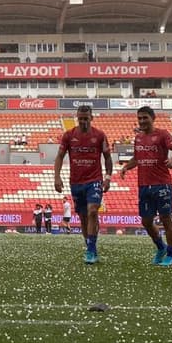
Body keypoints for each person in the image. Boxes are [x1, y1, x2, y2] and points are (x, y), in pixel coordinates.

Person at [119, 106, 172, 266]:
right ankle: (160, 247)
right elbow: (137, 158)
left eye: (145, 118)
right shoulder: (138, 138)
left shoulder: (162, 134)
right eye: (139, 118)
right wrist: (127, 166)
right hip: (143, 185)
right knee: (146, 221)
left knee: (166, 219)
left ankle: (171, 254)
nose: (141, 121)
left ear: (153, 118)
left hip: (162, 184)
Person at [53, 103, 114, 263]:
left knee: (92, 211)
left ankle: (92, 250)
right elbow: (59, 156)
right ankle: (89, 245)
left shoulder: (100, 135)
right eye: (80, 119)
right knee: (83, 217)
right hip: (76, 182)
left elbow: (108, 158)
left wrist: (107, 178)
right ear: (77, 118)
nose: (83, 122)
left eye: (86, 119)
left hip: (94, 180)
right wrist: (57, 177)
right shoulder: (68, 135)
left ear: (91, 118)